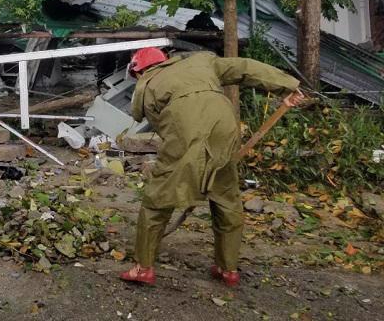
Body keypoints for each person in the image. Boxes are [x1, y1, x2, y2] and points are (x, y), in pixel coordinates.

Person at [119, 48, 305, 287]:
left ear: (139, 70)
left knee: (158, 200)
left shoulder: (146, 85)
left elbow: (152, 120)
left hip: (187, 132)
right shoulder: (201, 62)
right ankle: (228, 269)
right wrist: (287, 85)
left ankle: (143, 268)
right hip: (225, 125)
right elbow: (244, 67)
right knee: (225, 195)